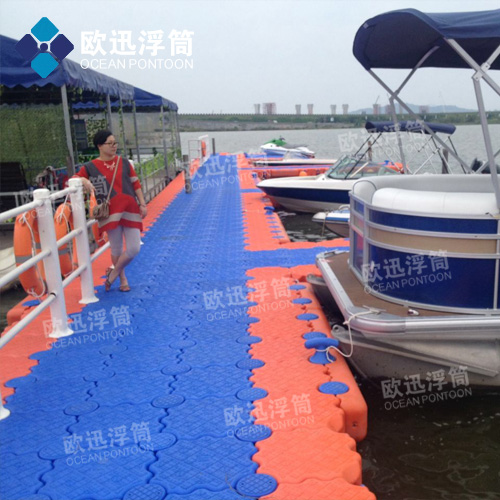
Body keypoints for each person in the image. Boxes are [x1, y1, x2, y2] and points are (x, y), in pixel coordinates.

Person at [73, 130, 147, 291]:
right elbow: (73, 180)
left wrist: (142, 204)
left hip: (130, 208)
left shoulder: (124, 162)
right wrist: (84, 179)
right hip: (110, 212)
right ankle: (123, 279)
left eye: (115, 143)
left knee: (134, 248)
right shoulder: (90, 167)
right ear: (100, 146)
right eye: (110, 143)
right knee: (117, 248)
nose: (114, 146)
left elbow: (135, 183)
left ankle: (113, 273)